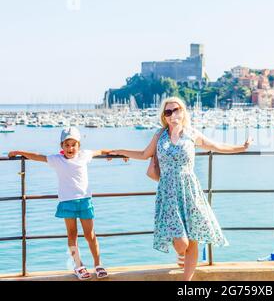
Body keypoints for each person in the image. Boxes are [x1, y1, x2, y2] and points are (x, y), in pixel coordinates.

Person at [110, 96, 253, 281]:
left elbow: (216, 146)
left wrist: (241, 147)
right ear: (164, 116)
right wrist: (119, 151)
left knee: (192, 237)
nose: (172, 114)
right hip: (168, 192)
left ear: (183, 111)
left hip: (190, 190)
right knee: (181, 244)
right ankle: (181, 254)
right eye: (168, 112)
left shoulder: (191, 134)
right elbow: (145, 154)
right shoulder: (159, 135)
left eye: (176, 110)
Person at [8, 127, 116, 280]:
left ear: (79, 145)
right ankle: (78, 265)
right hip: (67, 202)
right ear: (61, 146)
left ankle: (98, 264)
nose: (70, 148)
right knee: (72, 234)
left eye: (73, 144)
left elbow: (100, 151)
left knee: (90, 234)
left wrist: (116, 154)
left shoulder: (85, 155)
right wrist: (20, 152)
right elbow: (38, 156)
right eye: (67, 145)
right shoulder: (56, 160)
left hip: (85, 200)